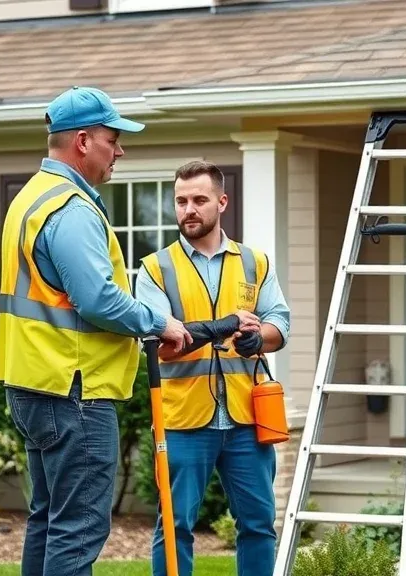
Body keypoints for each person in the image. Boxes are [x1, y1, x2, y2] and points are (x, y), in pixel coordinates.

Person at [0, 85, 192, 576]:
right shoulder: (72, 208)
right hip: (74, 389)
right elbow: (98, 299)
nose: (120, 150)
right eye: (113, 139)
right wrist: (158, 321)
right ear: (83, 141)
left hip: (33, 383)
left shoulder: (30, 199)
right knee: (79, 526)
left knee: (49, 519)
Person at [134, 160, 291, 576]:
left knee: (258, 526)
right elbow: (161, 346)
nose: (189, 209)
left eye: (199, 200)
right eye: (181, 201)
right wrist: (223, 326)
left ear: (222, 202)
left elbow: (280, 320)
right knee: (175, 525)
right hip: (183, 420)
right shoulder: (155, 269)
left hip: (246, 418)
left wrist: (263, 338)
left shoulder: (255, 263)